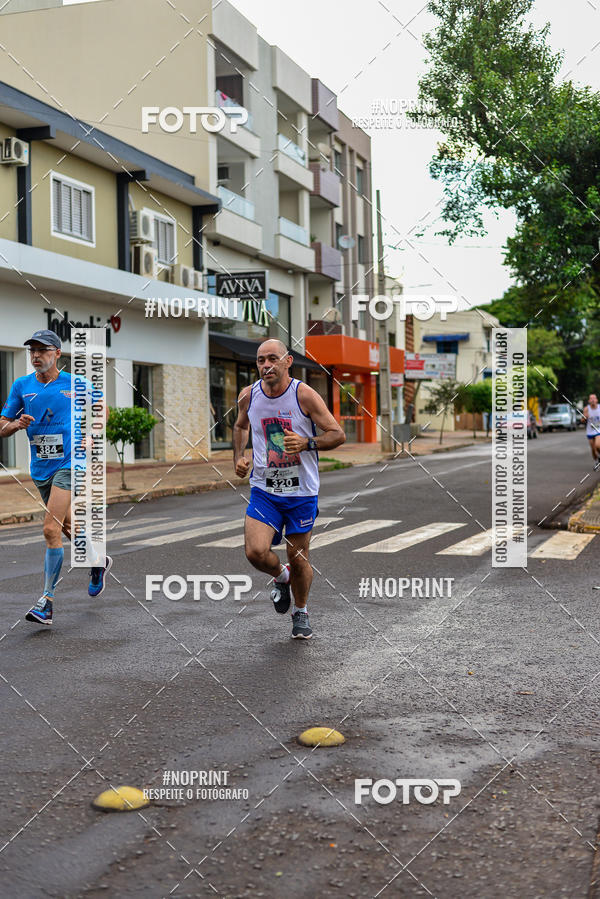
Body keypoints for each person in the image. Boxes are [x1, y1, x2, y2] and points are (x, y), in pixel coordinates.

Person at [233, 339, 346, 640]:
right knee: (255, 552)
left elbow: (337, 434)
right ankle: (280, 576)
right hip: (264, 489)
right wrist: (239, 457)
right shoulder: (249, 395)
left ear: (287, 362)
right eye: (260, 360)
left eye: (272, 359)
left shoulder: (304, 395)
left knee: (299, 558)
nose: (266, 365)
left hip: (301, 493)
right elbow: (241, 425)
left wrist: (306, 442)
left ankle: (301, 611)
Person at [0, 330, 112, 626]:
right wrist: (16, 424)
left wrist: (91, 435)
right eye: (32, 351)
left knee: (50, 529)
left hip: (71, 463)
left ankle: (46, 602)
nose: (36, 355)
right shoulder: (22, 386)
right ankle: (97, 560)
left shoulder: (75, 383)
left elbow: (102, 408)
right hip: (41, 468)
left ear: (57, 354)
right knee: (65, 525)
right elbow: (1, 426)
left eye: (42, 350)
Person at [582, 394, 600, 469]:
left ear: (596, 400)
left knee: (597, 445)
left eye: (594, 398)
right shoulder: (586, 409)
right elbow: (582, 420)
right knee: (593, 449)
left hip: (598, 430)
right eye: (591, 398)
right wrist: (585, 417)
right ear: (589, 401)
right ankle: (597, 461)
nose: (592, 400)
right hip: (590, 431)